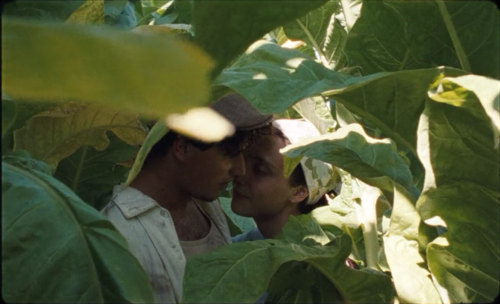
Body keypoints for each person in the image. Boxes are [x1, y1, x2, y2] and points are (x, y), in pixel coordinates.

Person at [101, 93, 273, 304]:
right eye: (229, 154)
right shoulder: (119, 231)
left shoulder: (204, 202)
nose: (240, 169)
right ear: (182, 147)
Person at [231, 118, 338, 241]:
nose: (240, 172)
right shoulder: (238, 245)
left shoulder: (314, 256)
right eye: (244, 159)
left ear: (299, 192)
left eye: (259, 170)